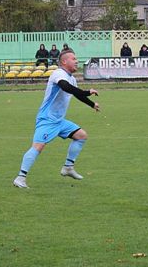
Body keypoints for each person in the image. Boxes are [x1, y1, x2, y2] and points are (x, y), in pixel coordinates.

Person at [13, 49, 100, 189]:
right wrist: (87, 92)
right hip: (47, 119)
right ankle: (20, 178)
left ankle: (68, 167)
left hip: (59, 121)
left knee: (81, 136)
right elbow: (65, 87)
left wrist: (92, 104)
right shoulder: (58, 74)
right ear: (64, 61)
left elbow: (76, 93)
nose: (76, 61)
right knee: (38, 147)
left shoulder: (71, 78)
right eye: (73, 58)